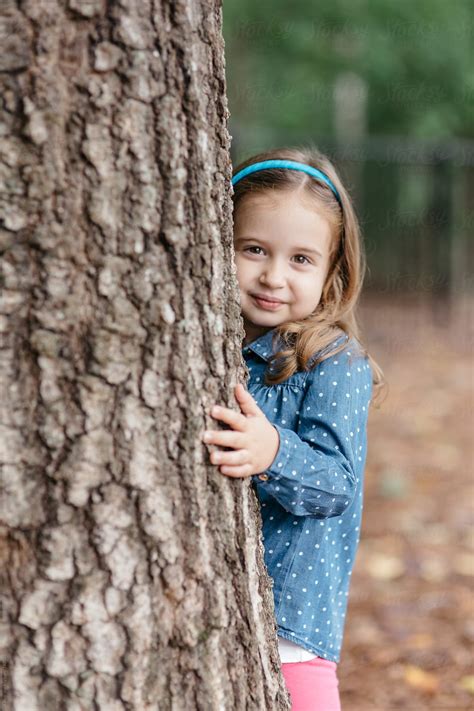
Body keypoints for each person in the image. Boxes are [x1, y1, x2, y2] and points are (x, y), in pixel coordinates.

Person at [201, 147, 385, 710]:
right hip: (213, 612)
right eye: (253, 249)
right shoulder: (214, 344)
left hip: (290, 631)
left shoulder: (333, 362)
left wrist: (272, 450)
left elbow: (336, 483)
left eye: (300, 259)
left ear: (334, 272)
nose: (272, 276)